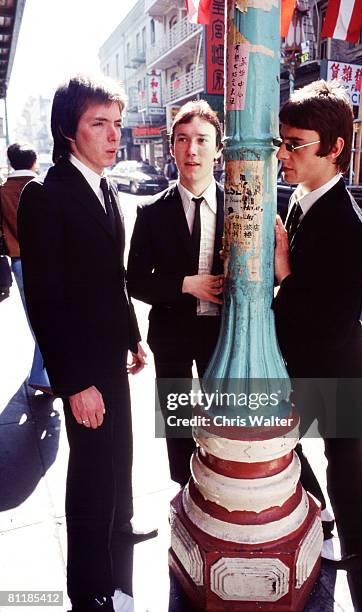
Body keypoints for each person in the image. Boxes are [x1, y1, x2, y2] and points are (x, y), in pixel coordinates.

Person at [18, 73, 154, 611]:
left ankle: (119, 536)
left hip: (111, 356)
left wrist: (132, 337)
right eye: (99, 124)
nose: (113, 135)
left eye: (117, 124)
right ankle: (89, 588)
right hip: (82, 368)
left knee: (118, 458)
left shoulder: (104, 186)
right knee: (91, 476)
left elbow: (111, 280)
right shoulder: (46, 197)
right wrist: (74, 385)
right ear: (67, 131)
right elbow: (47, 304)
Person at [273, 79, 362, 563]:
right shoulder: (300, 198)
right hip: (307, 361)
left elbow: (329, 314)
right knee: (277, 444)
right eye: (282, 142)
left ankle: (359, 553)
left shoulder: (345, 222)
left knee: (343, 459)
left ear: (335, 148)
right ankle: (323, 516)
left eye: (296, 145)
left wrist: (284, 272)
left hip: (337, 366)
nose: (283, 155)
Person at [127, 100, 224, 486]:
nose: (192, 149)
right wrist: (186, 284)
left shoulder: (240, 206)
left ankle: (222, 490)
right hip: (171, 335)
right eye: (182, 140)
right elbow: (135, 280)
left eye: (202, 139)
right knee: (178, 423)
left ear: (218, 149)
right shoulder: (152, 211)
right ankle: (184, 491)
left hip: (225, 334)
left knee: (229, 418)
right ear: (171, 148)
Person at [0, 142, 51, 392]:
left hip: (19, 261)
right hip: (50, 259)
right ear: (33, 162)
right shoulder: (45, 187)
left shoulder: (2, 191)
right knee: (50, 318)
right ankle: (40, 376)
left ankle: (41, 373)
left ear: (11, 162)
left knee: (36, 318)